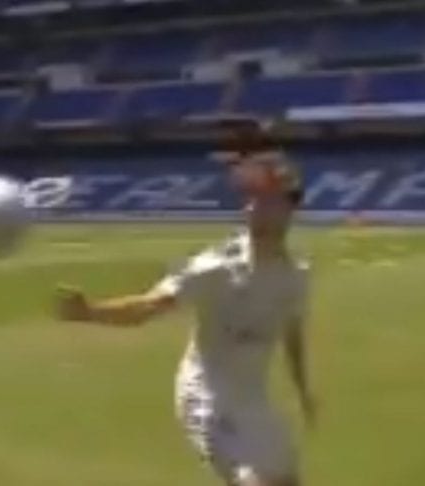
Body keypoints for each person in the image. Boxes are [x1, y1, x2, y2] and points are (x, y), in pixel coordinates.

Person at [56, 150, 316, 486]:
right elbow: (149, 306)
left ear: (288, 209)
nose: (252, 209)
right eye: (250, 200)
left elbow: (292, 331)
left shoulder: (295, 275)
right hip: (207, 397)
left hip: (254, 402)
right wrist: (89, 311)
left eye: (266, 201)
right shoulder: (216, 266)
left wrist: (302, 390)